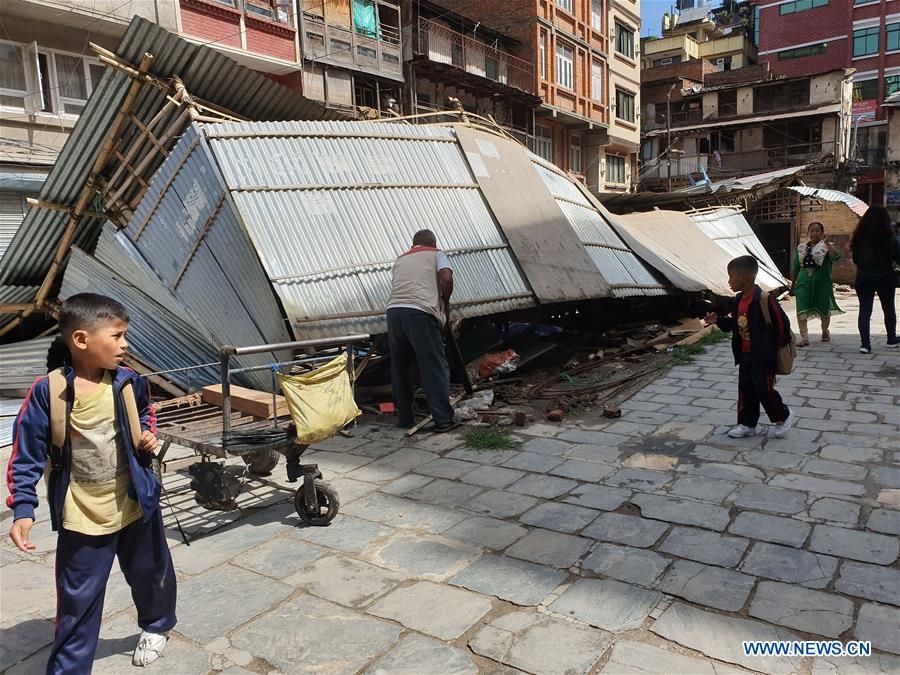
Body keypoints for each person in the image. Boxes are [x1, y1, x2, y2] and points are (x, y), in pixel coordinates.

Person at [6, 293, 177, 673]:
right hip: (82, 513)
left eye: (124, 335)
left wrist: (146, 434)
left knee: (152, 573)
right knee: (77, 600)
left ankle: (157, 625)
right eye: (116, 336)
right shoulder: (48, 392)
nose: (125, 345)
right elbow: (26, 454)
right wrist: (23, 508)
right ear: (81, 339)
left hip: (136, 502)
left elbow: (145, 413)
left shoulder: (129, 381)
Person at [705, 255, 794, 439]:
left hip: (763, 356)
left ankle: (782, 416)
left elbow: (782, 324)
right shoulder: (738, 300)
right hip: (745, 354)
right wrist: (718, 320)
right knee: (746, 390)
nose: (729, 281)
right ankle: (747, 424)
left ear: (744, 277)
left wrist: (774, 348)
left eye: (731, 277)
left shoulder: (764, 299)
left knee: (764, 389)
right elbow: (735, 324)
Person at [386, 229, 456, 431]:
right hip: (420, 312)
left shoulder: (400, 259)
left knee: (400, 367)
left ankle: (404, 419)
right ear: (433, 243)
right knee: (432, 365)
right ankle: (443, 419)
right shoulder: (436, 254)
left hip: (394, 312)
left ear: (413, 245)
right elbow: (446, 278)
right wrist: (445, 300)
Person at [850, 205, 900, 353]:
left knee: (865, 310)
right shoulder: (889, 238)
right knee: (888, 308)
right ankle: (891, 338)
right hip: (885, 277)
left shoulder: (858, 238)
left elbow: (856, 259)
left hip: (863, 277)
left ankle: (865, 344)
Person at [790, 221, 843, 346]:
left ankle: (825, 331)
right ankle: (804, 337)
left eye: (817, 230)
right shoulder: (801, 248)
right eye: (812, 231)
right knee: (801, 309)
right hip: (803, 285)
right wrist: (793, 285)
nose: (814, 233)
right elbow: (795, 267)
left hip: (822, 285)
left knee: (824, 309)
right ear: (808, 233)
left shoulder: (826, 247)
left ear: (822, 233)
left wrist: (826, 243)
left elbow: (836, 256)